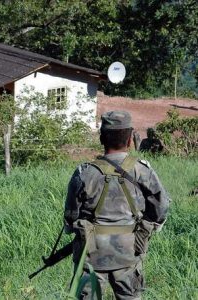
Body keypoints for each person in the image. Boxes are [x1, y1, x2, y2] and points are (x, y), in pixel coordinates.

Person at [64, 111, 170, 299]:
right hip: (129, 253)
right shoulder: (142, 170)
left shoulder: (84, 172)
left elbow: (71, 216)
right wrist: (143, 230)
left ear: (101, 138)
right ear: (130, 139)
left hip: (90, 256)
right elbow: (160, 209)